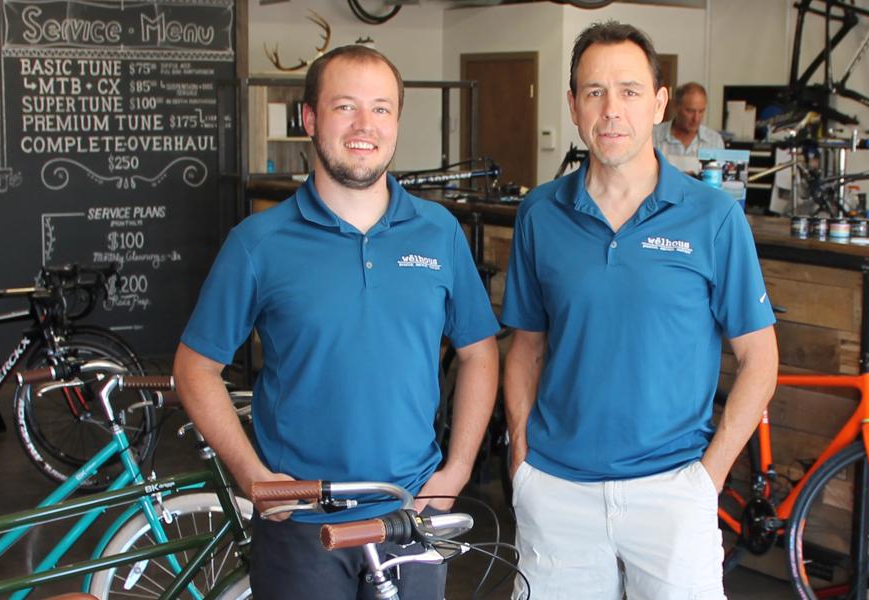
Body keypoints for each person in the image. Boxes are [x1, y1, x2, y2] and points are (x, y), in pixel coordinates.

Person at [172, 45, 500, 599]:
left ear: (397, 121)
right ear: (310, 119)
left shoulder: (438, 232)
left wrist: (458, 469)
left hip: (409, 516)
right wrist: (251, 475)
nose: (363, 126)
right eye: (345, 106)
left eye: (381, 108)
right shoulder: (258, 243)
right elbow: (194, 369)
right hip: (302, 524)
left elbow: (480, 352)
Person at [501, 21, 779, 600]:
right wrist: (523, 464)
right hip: (558, 490)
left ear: (657, 103)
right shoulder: (539, 214)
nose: (611, 110)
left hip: (673, 490)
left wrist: (708, 480)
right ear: (573, 105)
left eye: (628, 91)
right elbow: (525, 346)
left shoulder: (713, 218)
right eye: (594, 91)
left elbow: (760, 360)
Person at [652, 81, 727, 174]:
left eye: (701, 111)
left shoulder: (714, 141)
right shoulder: (654, 136)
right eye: (690, 111)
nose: (696, 118)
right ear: (676, 107)